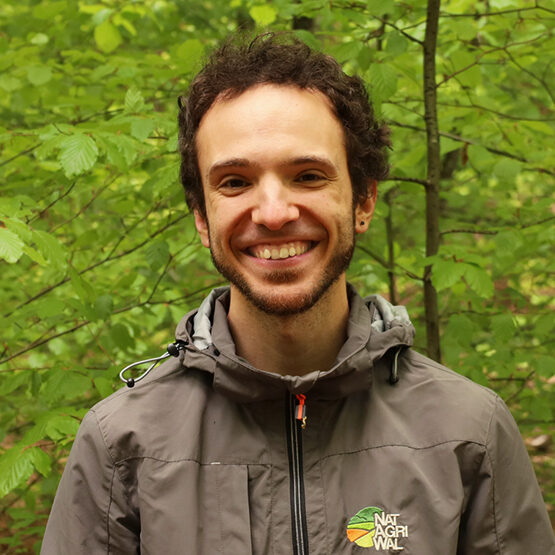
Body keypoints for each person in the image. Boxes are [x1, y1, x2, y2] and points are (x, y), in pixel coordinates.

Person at [42, 34, 554, 554]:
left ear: (363, 200)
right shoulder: (123, 444)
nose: (273, 213)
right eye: (235, 182)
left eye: (307, 176)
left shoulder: (468, 432)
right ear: (201, 217)